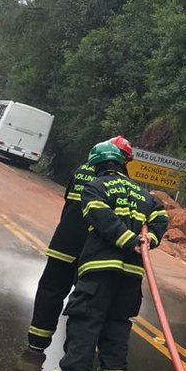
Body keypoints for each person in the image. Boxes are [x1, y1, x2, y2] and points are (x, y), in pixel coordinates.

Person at [48, 141, 168, 371]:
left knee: (85, 319)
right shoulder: (142, 193)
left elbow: (101, 216)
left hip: (101, 267)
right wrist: (149, 239)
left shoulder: (95, 187)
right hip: (133, 272)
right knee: (117, 320)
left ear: (95, 166)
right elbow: (161, 215)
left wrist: (127, 241)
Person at [26, 136, 135, 352]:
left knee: (50, 290)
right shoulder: (123, 184)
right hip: (95, 252)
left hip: (64, 243)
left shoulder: (81, 170)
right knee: (86, 302)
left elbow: (69, 201)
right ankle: (75, 353)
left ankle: (37, 341)